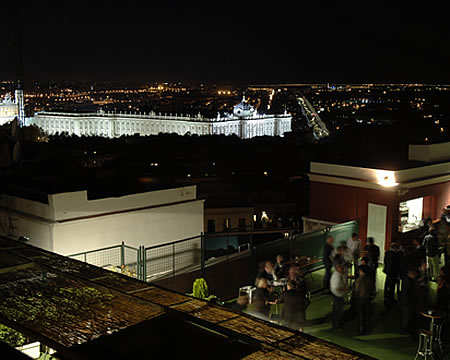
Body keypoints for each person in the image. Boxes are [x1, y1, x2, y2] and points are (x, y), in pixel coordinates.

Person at [354, 265, 374, 335]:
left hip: (361, 299)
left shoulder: (359, 280)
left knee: (361, 315)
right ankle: (367, 329)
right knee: (367, 314)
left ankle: (361, 330)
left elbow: (357, 291)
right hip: (367, 298)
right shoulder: (370, 278)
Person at [400, 266, 419, 336]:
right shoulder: (408, 281)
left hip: (407, 301)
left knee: (406, 316)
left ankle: (405, 329)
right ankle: (405, 329)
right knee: (406, 316)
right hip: (407, 302)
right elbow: (407, 293)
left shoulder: (407, 279)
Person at [383, 243, 401, 310]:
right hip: (393, 272)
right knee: (392, 286)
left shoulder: (387, 253)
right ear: (395, 248)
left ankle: (386, 296)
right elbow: (396, 264)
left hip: (387, 271)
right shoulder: (395, 255)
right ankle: (391, 298)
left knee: (387, 284)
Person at [330, 263, 348, 329]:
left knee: (336, 311)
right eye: (341, 268)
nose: (343, 269)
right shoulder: (336, 276)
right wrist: (344, 289)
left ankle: (336, 324)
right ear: (338, 269)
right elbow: (336, 288)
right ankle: (337, 325)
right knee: (338, 311)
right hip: (337, 296)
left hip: (337, 295)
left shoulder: (338, 275)